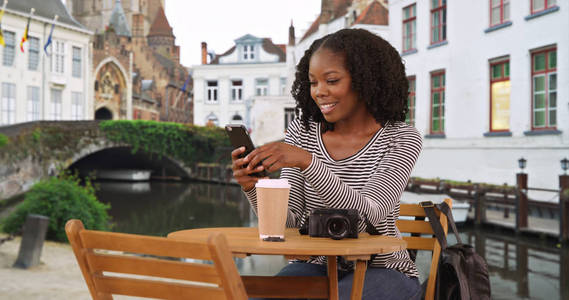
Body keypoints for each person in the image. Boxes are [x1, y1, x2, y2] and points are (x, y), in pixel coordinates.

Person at [231, 28, 422, 300]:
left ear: (365, 81)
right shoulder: (302, 132)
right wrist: (255, 187)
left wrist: (309, 162)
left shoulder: (400, 138)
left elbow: (372, 215)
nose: (319, 92)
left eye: (331, 80)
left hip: (384, 269)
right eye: (312, 82)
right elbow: (290, 223)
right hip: (316, 266)